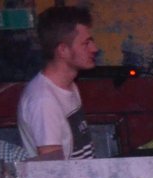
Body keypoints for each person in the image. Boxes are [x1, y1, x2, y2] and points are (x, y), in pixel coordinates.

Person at [17, 5, 98, 160]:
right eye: (86, 43)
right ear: (63, 50)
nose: (94, 48)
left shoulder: (68, 86)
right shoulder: (43, 100)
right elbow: (52, 168)